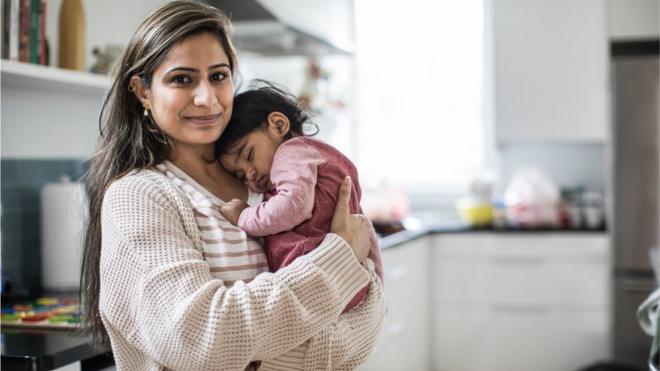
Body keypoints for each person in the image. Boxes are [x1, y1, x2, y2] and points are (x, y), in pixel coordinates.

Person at [79, 1, 385, 370]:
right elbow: (200, 339)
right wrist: (338, 260)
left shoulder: (268, 178)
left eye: (218, 76)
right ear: (142, 92)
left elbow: (370, 313)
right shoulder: (139, 197)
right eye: (182, 79)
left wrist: (268, 351)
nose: (207, 98)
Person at [216, 82, 383, 314]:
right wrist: (376, 281)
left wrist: (244, 215)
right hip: (345, 281)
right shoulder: (316, 156)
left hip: (318, 282)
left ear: (278, 125)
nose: (250, 174)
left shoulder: (291, 153)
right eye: (240, 175)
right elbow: (363, 225)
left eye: (249, 155)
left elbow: (293, 206)